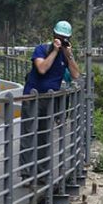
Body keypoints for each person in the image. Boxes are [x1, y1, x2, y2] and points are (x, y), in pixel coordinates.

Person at [19, 20, 81, 180]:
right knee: (28, 134)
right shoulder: (41, 49)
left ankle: (43, 173)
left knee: (45, 136)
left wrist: (69, 55)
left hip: (50, 100)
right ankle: (26, 174)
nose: (62, 40)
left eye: (65, 38)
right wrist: (54, 51)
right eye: (60, 37)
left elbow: (75, 75)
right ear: (54, 35)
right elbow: (42, 68)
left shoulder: (65, 55)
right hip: (32, 97)